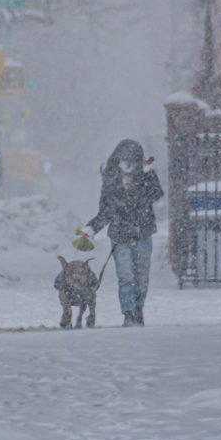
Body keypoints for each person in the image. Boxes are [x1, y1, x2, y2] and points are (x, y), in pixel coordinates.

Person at [84, 139, 164, 327]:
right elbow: (106, 209)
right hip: (120, 235)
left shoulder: (146, 178)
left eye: (133, 161)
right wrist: (92, 227)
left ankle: (138, 310)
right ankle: (128, 312)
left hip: (143, 233)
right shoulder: (111, 180)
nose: (129, 165)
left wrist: (148, 175)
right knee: (126, 276)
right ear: (118, 161)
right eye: (125, 161)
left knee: (141, 277)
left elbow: (157, 195)